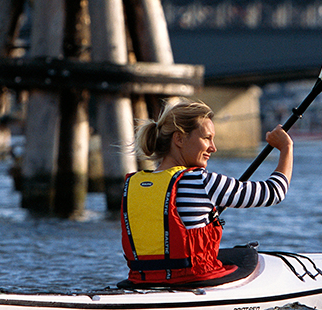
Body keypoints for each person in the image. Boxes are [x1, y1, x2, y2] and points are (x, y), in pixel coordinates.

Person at [120, 99, 293, 287]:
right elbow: (274, 192)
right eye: (206, 138)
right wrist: (286, 148)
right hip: (192, 279)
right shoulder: (201, 181)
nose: (213, 147)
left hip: (140, 279)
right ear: (179, 139)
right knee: (248, 255)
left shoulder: (134, 184)